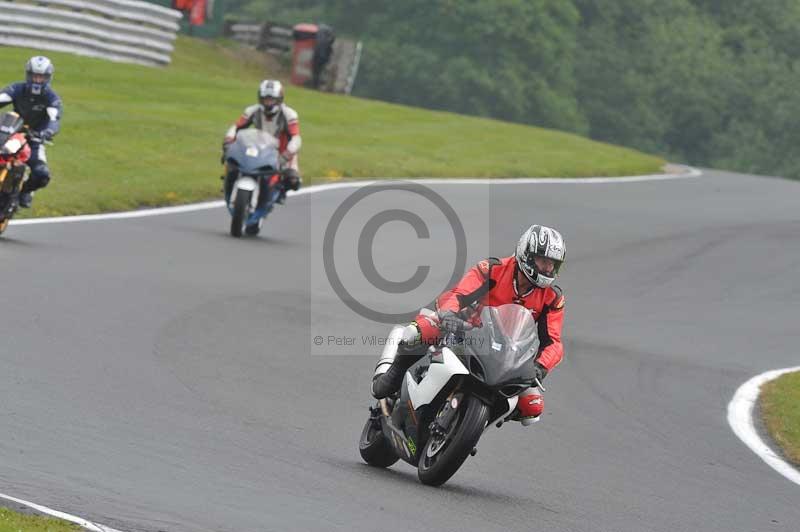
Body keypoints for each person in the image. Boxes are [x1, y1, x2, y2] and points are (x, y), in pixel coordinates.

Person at [371, 224, 567, 426]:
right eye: (543, 261)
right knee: (414, 333)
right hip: (466, 327)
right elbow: (460, 294)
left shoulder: (552, 298)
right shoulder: (493, 269)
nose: (547, 268)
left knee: (532, 408)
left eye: (553, 264)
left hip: (505, 351)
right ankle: (393, 374)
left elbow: (554, 342)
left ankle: (472, 423)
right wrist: (449, 313)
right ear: (526, 254)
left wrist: (540, 367)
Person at [223, 79, 301, 206]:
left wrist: (287, 154)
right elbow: (236, 127)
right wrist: (228, 142)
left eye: (271, 99)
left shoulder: (289, 114)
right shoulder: (252, 110)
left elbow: (296, 138)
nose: (268, 102)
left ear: (279, 99)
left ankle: (279, 193)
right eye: (265, 99)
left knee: (293, 180)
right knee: (233, 164)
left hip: (282, 151)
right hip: (257, 146)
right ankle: (229, 186)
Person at [0, 56, 62, 208]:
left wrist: (47, 132)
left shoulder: (52, 98)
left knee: (42, 174)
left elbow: (54, 119)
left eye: (41, 77)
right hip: (11, 132)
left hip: (35, 139)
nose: (37, 80)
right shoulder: (16, 89)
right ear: (28, 75)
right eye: (34, 76)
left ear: (48, 78)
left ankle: (25, 191)